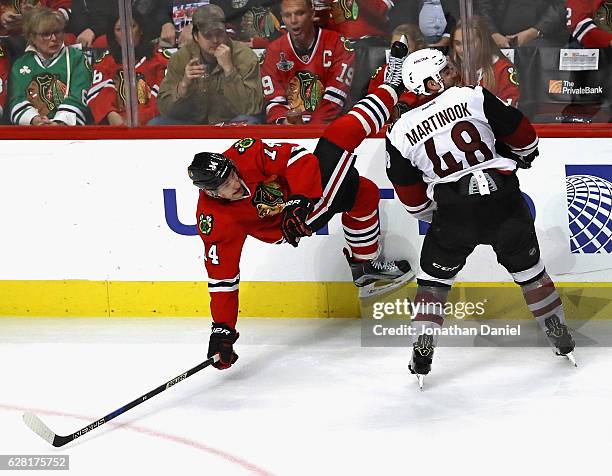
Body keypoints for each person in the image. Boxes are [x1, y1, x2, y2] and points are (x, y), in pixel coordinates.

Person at [189, 42, 414, 370]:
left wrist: (298, 199)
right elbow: (222, 279)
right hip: (287, 223)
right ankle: (391, 87)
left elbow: (296, 157)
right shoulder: (213, 220)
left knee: (361, 193)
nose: (236, 183)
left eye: (233, 175)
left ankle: (365, 270)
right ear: (212, 193)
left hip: (300, 197)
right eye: (227, 185)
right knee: (339, 137)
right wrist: (222, 330)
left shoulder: (243, 152)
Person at [385, 48, 576, 388]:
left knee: (433, 282)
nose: (451, 74)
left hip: (454, 211)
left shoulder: (399, 131)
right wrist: (524, 154)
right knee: (532, 275)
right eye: (443, 72)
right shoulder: (471, 96)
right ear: (429, 81)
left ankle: (422, 349)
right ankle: (557, 332)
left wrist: (436, 214)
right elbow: (523, 134)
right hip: (503, 200)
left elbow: (409, 195)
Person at [154, 4, 263, 125]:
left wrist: (229, 70)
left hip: (229, 123)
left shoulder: (245, 56)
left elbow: (252, 109)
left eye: (219, 33)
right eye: (208, 35)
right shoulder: (181, 58)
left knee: (249, 122)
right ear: (195, 36)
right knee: (156, 124)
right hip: (192, 123)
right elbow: (164, 110)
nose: (215, 40)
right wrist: (184, 86)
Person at [260, 0, 355, 125]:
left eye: (300, 13)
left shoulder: (337, 44)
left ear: (312, 13)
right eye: (287, 15)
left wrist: (309, 129)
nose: (293, 20)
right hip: (290, 128)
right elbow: (273, 101)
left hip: (329, 128)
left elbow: (334, 99)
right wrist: (285, 123)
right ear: (282, 18)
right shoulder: (273, 51)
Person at [8, 7, 91, 126]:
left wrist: (59, 123)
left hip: (69, 132)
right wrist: (35, 120)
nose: (54, 38)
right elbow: (17, 99)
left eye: (57, 32)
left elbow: (79, 94)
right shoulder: (21, 64)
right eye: (46, 34)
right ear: (32, 37)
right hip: (32, 132)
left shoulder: (76, 58)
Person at [86, 13, 169, 126]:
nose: (126, 33)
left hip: (149, 125)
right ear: (113, 35)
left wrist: (140, 119)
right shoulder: (106, 62)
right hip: (115, 127)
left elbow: (164, 97)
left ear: (141, 30)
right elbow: (98, 94)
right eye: (119, 29)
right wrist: (112, 115)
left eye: (132, 26)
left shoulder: (159, 59)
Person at [450, 17, 520, 107]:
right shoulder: (451, 72)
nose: (463, 49)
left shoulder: (503, 70)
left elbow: (510, 111)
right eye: (458, 43)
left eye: (469, 42)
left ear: (483, 42)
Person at [367, 24, 428, 121]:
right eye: (394, 47)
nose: (397, 52)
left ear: (419, 46)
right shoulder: (383, 72)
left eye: (403, 47)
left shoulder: (429, 71)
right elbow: (372, 103)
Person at [70, 0, 175, 49]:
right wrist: (87, 30)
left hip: (144, 34)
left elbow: (150, 8)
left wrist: (166, 22)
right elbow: (76, 17)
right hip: (97, 36)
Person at [476, 0, 567, 47]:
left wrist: (534, 32)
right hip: (497, 39)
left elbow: (561, 5)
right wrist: (493, 33)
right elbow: (482, 6)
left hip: (544, 37)